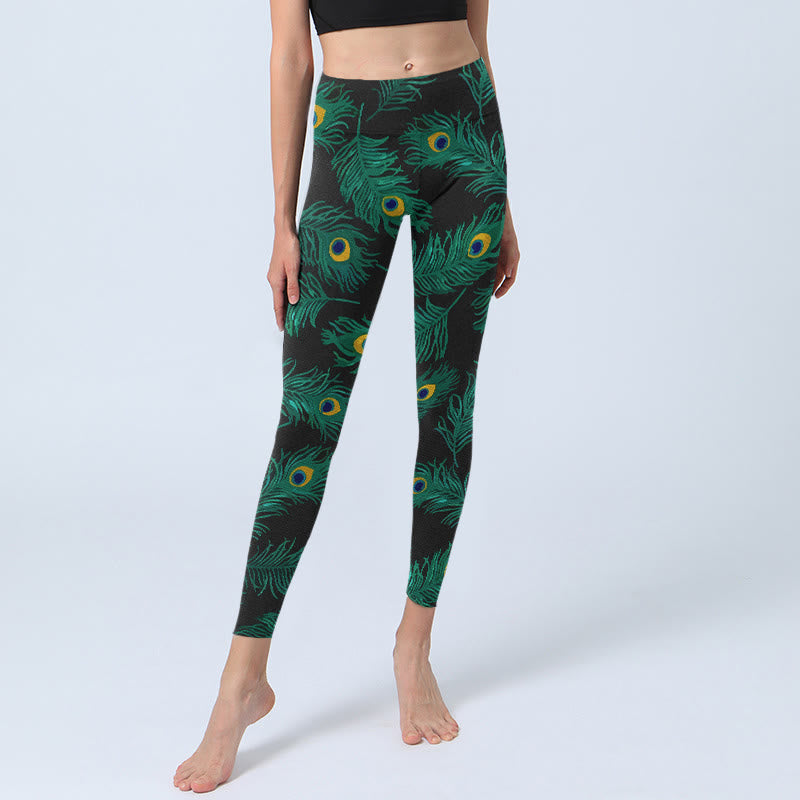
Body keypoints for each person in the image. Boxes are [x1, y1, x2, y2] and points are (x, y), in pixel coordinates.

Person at [174, 0, 519, 791]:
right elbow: (291, 55)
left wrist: (504, 197)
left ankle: (414, 644)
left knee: (448, 406)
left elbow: (479, 36)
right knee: (306, 423)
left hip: (466, 141)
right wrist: (282, 221)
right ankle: (242, 682)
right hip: (355, 139)